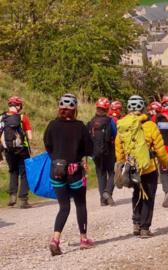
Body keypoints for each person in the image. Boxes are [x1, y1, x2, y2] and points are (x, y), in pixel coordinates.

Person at [44, 94, 94, 256]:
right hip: (75, 171)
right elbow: (89, 150)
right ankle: (83, 239)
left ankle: (55, 239)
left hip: (56, 170)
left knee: (64, 207)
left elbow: (48, 145)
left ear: (60, 108)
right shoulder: (80, 126)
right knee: (80, 204)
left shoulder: (52, 125)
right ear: (75, 109)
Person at [115, 95, 168, 238]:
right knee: (148, 196)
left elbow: (119, 147)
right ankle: (145, 228)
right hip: (149, 167)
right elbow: (160, 148)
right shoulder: (150, 125)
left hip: (132, 167)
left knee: (137, 194)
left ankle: (136, 223)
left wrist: (121, 162)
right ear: (143, 108)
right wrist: (165, 162)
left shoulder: (122, 125)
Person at [1, 96, 33, 208]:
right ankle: (23, 200)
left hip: (8, 150)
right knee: (24, 173)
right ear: (18, 106)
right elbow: (30, 136)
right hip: (22, 150)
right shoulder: (23, 117)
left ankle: (12, 196)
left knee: (13, 172)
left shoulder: (1, 117)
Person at [87, 98, 117, 206]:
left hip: (95, 153)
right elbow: (116, 134)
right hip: (109, 151)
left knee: (101, 175)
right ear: (107, 109)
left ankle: (102, 200)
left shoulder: (91, 122)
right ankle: (107, 192)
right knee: (113, 173)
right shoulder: (110, 121)